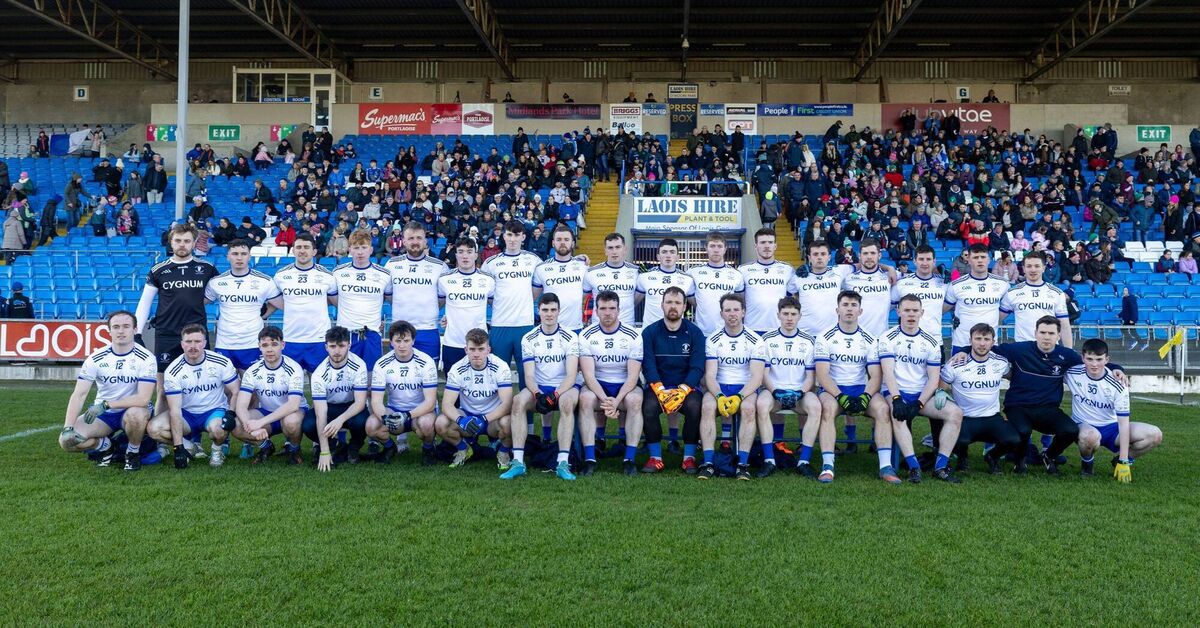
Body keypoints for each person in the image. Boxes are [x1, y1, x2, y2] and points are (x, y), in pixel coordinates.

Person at [954, 316, 1128, 474]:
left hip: (1048, 409)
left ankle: (1049, 456)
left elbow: (1093, 360)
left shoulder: (1066, 355)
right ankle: (1016, 460)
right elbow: (987, 346)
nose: (1046, 337)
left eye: (1051, 333)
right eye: (1043, 332)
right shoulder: (1019, 349)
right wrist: (964, 349)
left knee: (1070, 430)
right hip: (1018, 406)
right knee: (1023, 430)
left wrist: (1117, 369)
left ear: (1058, 335)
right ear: (1035, 333)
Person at [812, 290, 897, 484]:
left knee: (883, 409)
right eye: (845, 305)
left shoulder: (869, 339)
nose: (849, 309)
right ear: (837, 309)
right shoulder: (825, 337)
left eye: (853, 306)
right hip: (834, 390)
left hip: (861, 388)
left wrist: (866, 396)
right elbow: (823, 374)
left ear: (860, 311)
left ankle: (885, 467)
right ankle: (828, 465)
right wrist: (840, 396)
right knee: (827, 409)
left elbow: (876, 375)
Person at [134, 222, 219, 412]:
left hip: (196, 336)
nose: (182, 244)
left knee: (199, 387)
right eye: (178, 240)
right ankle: (160, 437)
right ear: (171, 242)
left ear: (195, 242)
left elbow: (221, 294)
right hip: (167, 334)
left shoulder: (207, 268)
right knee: (163, 389)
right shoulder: (158, 270)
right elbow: (145, 301)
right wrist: (137, 333)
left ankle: (195, 435)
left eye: (187, 241)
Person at [878, 295, 963, 483]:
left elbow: (933, 379)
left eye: (915, 311)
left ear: (922, 313)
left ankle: (941, 466)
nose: (911, 314)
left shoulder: (931, 342)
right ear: (898, 311)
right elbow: (888, 373)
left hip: (920, 396)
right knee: (896, 414)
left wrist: (919, 403)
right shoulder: (887, 337)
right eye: (907, 310)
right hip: (896, 393)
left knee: (955, 413)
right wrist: (897, 399)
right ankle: (914, 467)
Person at [58, 311, 157, 472]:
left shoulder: (146, 358)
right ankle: (106, 447)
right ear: (109, 331)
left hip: (132, 410)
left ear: (135, 329)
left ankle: (132, 453)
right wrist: (68, 427)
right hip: (104, 414)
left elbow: (143, 399)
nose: (121, 331)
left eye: (126, 326)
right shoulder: (96, 358)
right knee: (66, 441)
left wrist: (107, 404)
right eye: (116, 327)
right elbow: (79, 394)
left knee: (136, 414)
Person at [501, 294, 581, 481]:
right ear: (538, 311)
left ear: (559, 311)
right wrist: (537, 394)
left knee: (567, 404)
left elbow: (571, 375)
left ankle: (562, 462)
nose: (549, 314)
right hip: (539, 386)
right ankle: (518, 461)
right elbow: (529, 375)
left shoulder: (570, 337)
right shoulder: (529, 338)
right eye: (545, 310)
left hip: (565, 387)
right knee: (518, 401)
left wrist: (555, 394)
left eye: (553, 310)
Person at [1067, 339, 1161, 481]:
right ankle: (1087, 464)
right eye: (1089, 359)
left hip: (1112, 428)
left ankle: (1120, 461)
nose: (1094, 364)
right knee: (1090, 437)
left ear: (1107, 359)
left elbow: (1123, 423)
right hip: (1084, 425)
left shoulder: (1118, 383)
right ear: (1082, 358)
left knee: (1155, 435)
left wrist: (1124, 460)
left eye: (1099, 359)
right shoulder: (1072, 373)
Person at [146, 325, 239, 468]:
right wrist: (178, 448)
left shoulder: (220, 362)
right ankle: (188, 446)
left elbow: (236, 390)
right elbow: (175, 411)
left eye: (197, 341)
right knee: (154, 428)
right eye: (188, 342)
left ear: (205, 343)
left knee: (218, 429)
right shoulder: (173, 370)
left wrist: (231, 413)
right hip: (186, 415)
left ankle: (216, 450)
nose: (193, 346)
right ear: (182, 344)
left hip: (213, 411)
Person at [697, 293, 766, 481]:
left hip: (745, 388)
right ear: (721, 314)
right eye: (727, 310)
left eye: (736, 309)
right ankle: (709, 462)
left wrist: (739, 397)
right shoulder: (713, 339)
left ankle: (742, 464)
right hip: (720, 387)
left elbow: (757, 377)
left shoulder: (755, 340)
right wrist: (719, 396)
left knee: (749, 409)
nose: (732, 314)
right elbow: (710, 375)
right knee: (708, 406)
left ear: (743, 312)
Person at [938, 324, 1021, 474]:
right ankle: (962, 459)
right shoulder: (956, 364)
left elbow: (1014, 378)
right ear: (970, 340)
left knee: (1014, 440)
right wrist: (942, 395)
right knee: (958, 439)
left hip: (992, 418)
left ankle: (992, 456)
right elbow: (941, 388)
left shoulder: (1000, 363)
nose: (982, 343)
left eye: (986, 339)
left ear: (992, 342)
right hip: (965, 418)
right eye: (978, 338)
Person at [578, 290, 644, 475]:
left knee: (635, 401)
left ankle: (629, 459)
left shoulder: (633, 335)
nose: (608, 312)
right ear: (596, 311)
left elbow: (633, 376)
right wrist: (606, 399)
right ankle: (590, 458)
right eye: (603, 308)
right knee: (585, 399)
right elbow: (589, 376)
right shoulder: (586, 335)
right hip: (598, 385)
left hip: (624, 385)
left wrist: (616, 400)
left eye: (612, 308)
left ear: (619, 310)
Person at [641, 287, 706, 474]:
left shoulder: (695, 333)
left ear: (685, 306)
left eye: (677, 303)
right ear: (662, 305)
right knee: (648, 407)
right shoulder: (649, 332)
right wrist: (660, 390)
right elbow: (648, 365)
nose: (673, 307)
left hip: (686, 388)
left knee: (695, 407)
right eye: (669, 302)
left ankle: (689, 458)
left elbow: (697, 367)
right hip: (658, 386)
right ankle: (655, 457)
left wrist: (683, 390)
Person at [756, 296, 822, 477]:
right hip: (773, 391)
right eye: (785, 314)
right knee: (761, 405)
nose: (789, 318)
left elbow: (811, 376)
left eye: (793, 314)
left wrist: (800, 392)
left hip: (800, 392)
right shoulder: (767, 339)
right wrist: (775, 391)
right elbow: (764, 374)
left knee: (816, 407)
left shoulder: (808, 341)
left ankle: (804, 461)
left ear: (800, 316)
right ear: (778, 315)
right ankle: (769, 460)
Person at [434, 328, 514, 468]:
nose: (476, 354)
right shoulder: (457, 368)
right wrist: (461, 420)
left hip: (491, 419)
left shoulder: (501, 366)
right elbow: (447, 404)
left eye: (481, 349)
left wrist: (484, 419)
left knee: (509, 422)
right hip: (467, 416)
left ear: (488, 349)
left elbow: (507, 403)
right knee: (441, 423)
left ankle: (503, 451)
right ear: (466, 350)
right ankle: (463, 449)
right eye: (472, 349)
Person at [481, 220, 543, 398]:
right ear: (503, 236)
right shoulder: (491, 263)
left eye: (517, 235)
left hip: (525, 327)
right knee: (497, 377)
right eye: (509, 234)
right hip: (500, 326)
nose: (513, 239)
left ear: (523, 237)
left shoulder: (533, 260)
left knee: (528, 379)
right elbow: (487, 294)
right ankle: (498, 422)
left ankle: (528, 425)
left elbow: (543, 282)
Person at [231, 326, 308, 465]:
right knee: (237, 425)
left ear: (282, 345)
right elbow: (241, 405)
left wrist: (260, 423)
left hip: (291, 412)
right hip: (266, 412)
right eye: (265, 345)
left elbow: (293, 404)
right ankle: (266, 447)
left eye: (274, 344)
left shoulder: (293, 368)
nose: (269, 349)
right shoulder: (252, 371)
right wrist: (249, 425)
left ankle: (294, 449)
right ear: (259, 346)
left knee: (291, 422)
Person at [370, 321, 441, 466]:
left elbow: (430, 402)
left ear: (413, 341)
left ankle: (428, 449)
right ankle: (390, 448)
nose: (402, 345)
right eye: (398, 341)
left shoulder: (426, 362)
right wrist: (385, 417)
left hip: (420, 412)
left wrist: (407, 416)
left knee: (426, 424)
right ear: (391, 342)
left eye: (406, 340)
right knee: (371, 425)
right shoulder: (382, 364)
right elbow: (376, 401)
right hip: (394, 410)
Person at [203, 240, 279, 371]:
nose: (239, 257)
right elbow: (199, 302)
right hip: (225, 343)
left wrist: (264, 317)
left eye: (244, 253)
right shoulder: (217, 282)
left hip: (252, 342)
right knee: (226, 387)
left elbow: (278, 303)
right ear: (228, 256)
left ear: (249, 256)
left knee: (252, 386)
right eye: (235, 253)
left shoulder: (264, 281)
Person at [269, 233, 337, 374]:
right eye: (298, 247)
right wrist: (261, 316)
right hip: (291, 339)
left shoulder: (327, 276)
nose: (302, 250)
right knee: (290, 385)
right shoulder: (281, 276)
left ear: (314, 251)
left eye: (306, 247)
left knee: (319, 385)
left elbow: (336, 303)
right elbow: (273, 302)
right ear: (292, 250)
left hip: (318, 339)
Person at [305, 326, 370, 470]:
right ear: (326, 347)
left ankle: (353, 447)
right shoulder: (319, 373)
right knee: (308, 424)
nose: (337, 351)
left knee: (363, 421)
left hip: (352, 406)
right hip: (329, 407)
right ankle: (334, 446)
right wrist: (324, 451)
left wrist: (340, 420)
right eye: (332, 346)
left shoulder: (359, 365)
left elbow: (360, 403)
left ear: (349, 345)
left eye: (341, 346)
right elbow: (320, 413)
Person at [384, 222, 450, 364]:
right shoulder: (391, 264)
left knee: (429, 378)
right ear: (404, 240)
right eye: (411, 238)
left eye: (419, 238)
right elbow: (388, 295)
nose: (415, 242)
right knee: (397, 377)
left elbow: (443, 299)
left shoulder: (439, 266)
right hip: (399, 329)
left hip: (428, 329)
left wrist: (427, 308)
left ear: (425, 241)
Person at [331, 230, 392, 369]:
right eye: (356, 247)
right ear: (349, 250)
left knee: (372, 379)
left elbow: (389, 299)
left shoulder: (384, 274)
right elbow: (332, 300)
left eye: (364, 247)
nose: (360, 252)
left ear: (371, 250)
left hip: (371, 334)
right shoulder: (338, 273)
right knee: (346, 380)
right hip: (346, 334)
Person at [437, 237, 496, 374]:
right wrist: (445, 318)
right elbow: (438, 305)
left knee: (479, 390)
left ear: (476, 255)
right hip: (452, 343)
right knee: (452, 389)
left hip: (478, 344)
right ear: (456, 254)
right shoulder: (444, 279)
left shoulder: (488, 280)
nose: (465, 256)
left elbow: (496, 306)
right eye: (461, 251)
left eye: (469, 252)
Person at [943, 243, 1009, 355]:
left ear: (989, 259)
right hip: (962, 342)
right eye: (975, 257)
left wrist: (991, 321)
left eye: (983, 257)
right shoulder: (956, 285)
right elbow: (943, 309)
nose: (980, 260)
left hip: (989, 344)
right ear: (968, 259)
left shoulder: (1002, 284)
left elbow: (1006, 309)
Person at [998, 251, 1072, 347]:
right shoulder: (1012, 293)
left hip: (1050, 348)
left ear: (1043, 268)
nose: (1033, 270)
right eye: (1029, 266)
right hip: (1023, 349)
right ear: (1023, 269)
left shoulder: (1057, 293)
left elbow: (1065, 326)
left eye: (1037, 266)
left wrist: (1069, 352)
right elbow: (996, 319)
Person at [532, 225, 589, 332]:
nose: (562, 242)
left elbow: (587, 293)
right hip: (550, 329)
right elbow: (532, 297)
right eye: (559, 239)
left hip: (575, 327)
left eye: (566, 239)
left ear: (573, 243)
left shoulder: (583, 266)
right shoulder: (541, 268)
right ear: (553, 243)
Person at [687, 232, 746, 336]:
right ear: (706, 248)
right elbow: (691, 299)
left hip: (728, 332)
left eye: (719, 246)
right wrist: (703, 306)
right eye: (712, 246)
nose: (716, 249)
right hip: (702, 332)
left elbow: (739, 300)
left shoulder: (737, 275)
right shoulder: (693, 272)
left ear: (725, 249)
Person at [739, 228, 795, 336]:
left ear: (775, 246)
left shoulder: (787, 269)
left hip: (779, 328)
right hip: (752, 328)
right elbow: (739, 299)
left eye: (770, 242)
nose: (767, 246)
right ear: (756, 246)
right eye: (763, 242)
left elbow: (793, 298)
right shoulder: (743, 270)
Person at [636, 237, 696, 328]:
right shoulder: (644, 277)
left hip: (676, 331)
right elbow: (632, 303)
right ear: (658, 257)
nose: (668, 255)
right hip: (650, 332)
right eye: (664, 252)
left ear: (678, 257)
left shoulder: (687, 280)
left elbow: (698, 306)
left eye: (672, 252)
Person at [583, 232, 640, 327]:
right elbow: (580, 297)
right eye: (610, 248)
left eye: (618, 247)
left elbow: (637, 298)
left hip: (627, 326)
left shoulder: (636, 271)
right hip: (598, 327)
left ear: (624, 249)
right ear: (605, 250)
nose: (614, 251)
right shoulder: (591, 272)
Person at [841, 238, 894, 338]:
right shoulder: (847, 279)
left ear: (879, 255)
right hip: (854, 338)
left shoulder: (890, 276)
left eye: (873, 253)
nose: (869, 257)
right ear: (860, 256)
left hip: (880, 339)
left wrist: (890, 268)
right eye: (865, 253)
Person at [890, 244, 945, 340]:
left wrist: (953, 274)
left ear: (934, 261)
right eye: (921, 259)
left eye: (928, 259)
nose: (925, 263)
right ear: (914, 261)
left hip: (935, 341)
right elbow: (886, 307)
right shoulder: (902, 283)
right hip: (906, 340)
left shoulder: (943, 282)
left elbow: (959, 285)